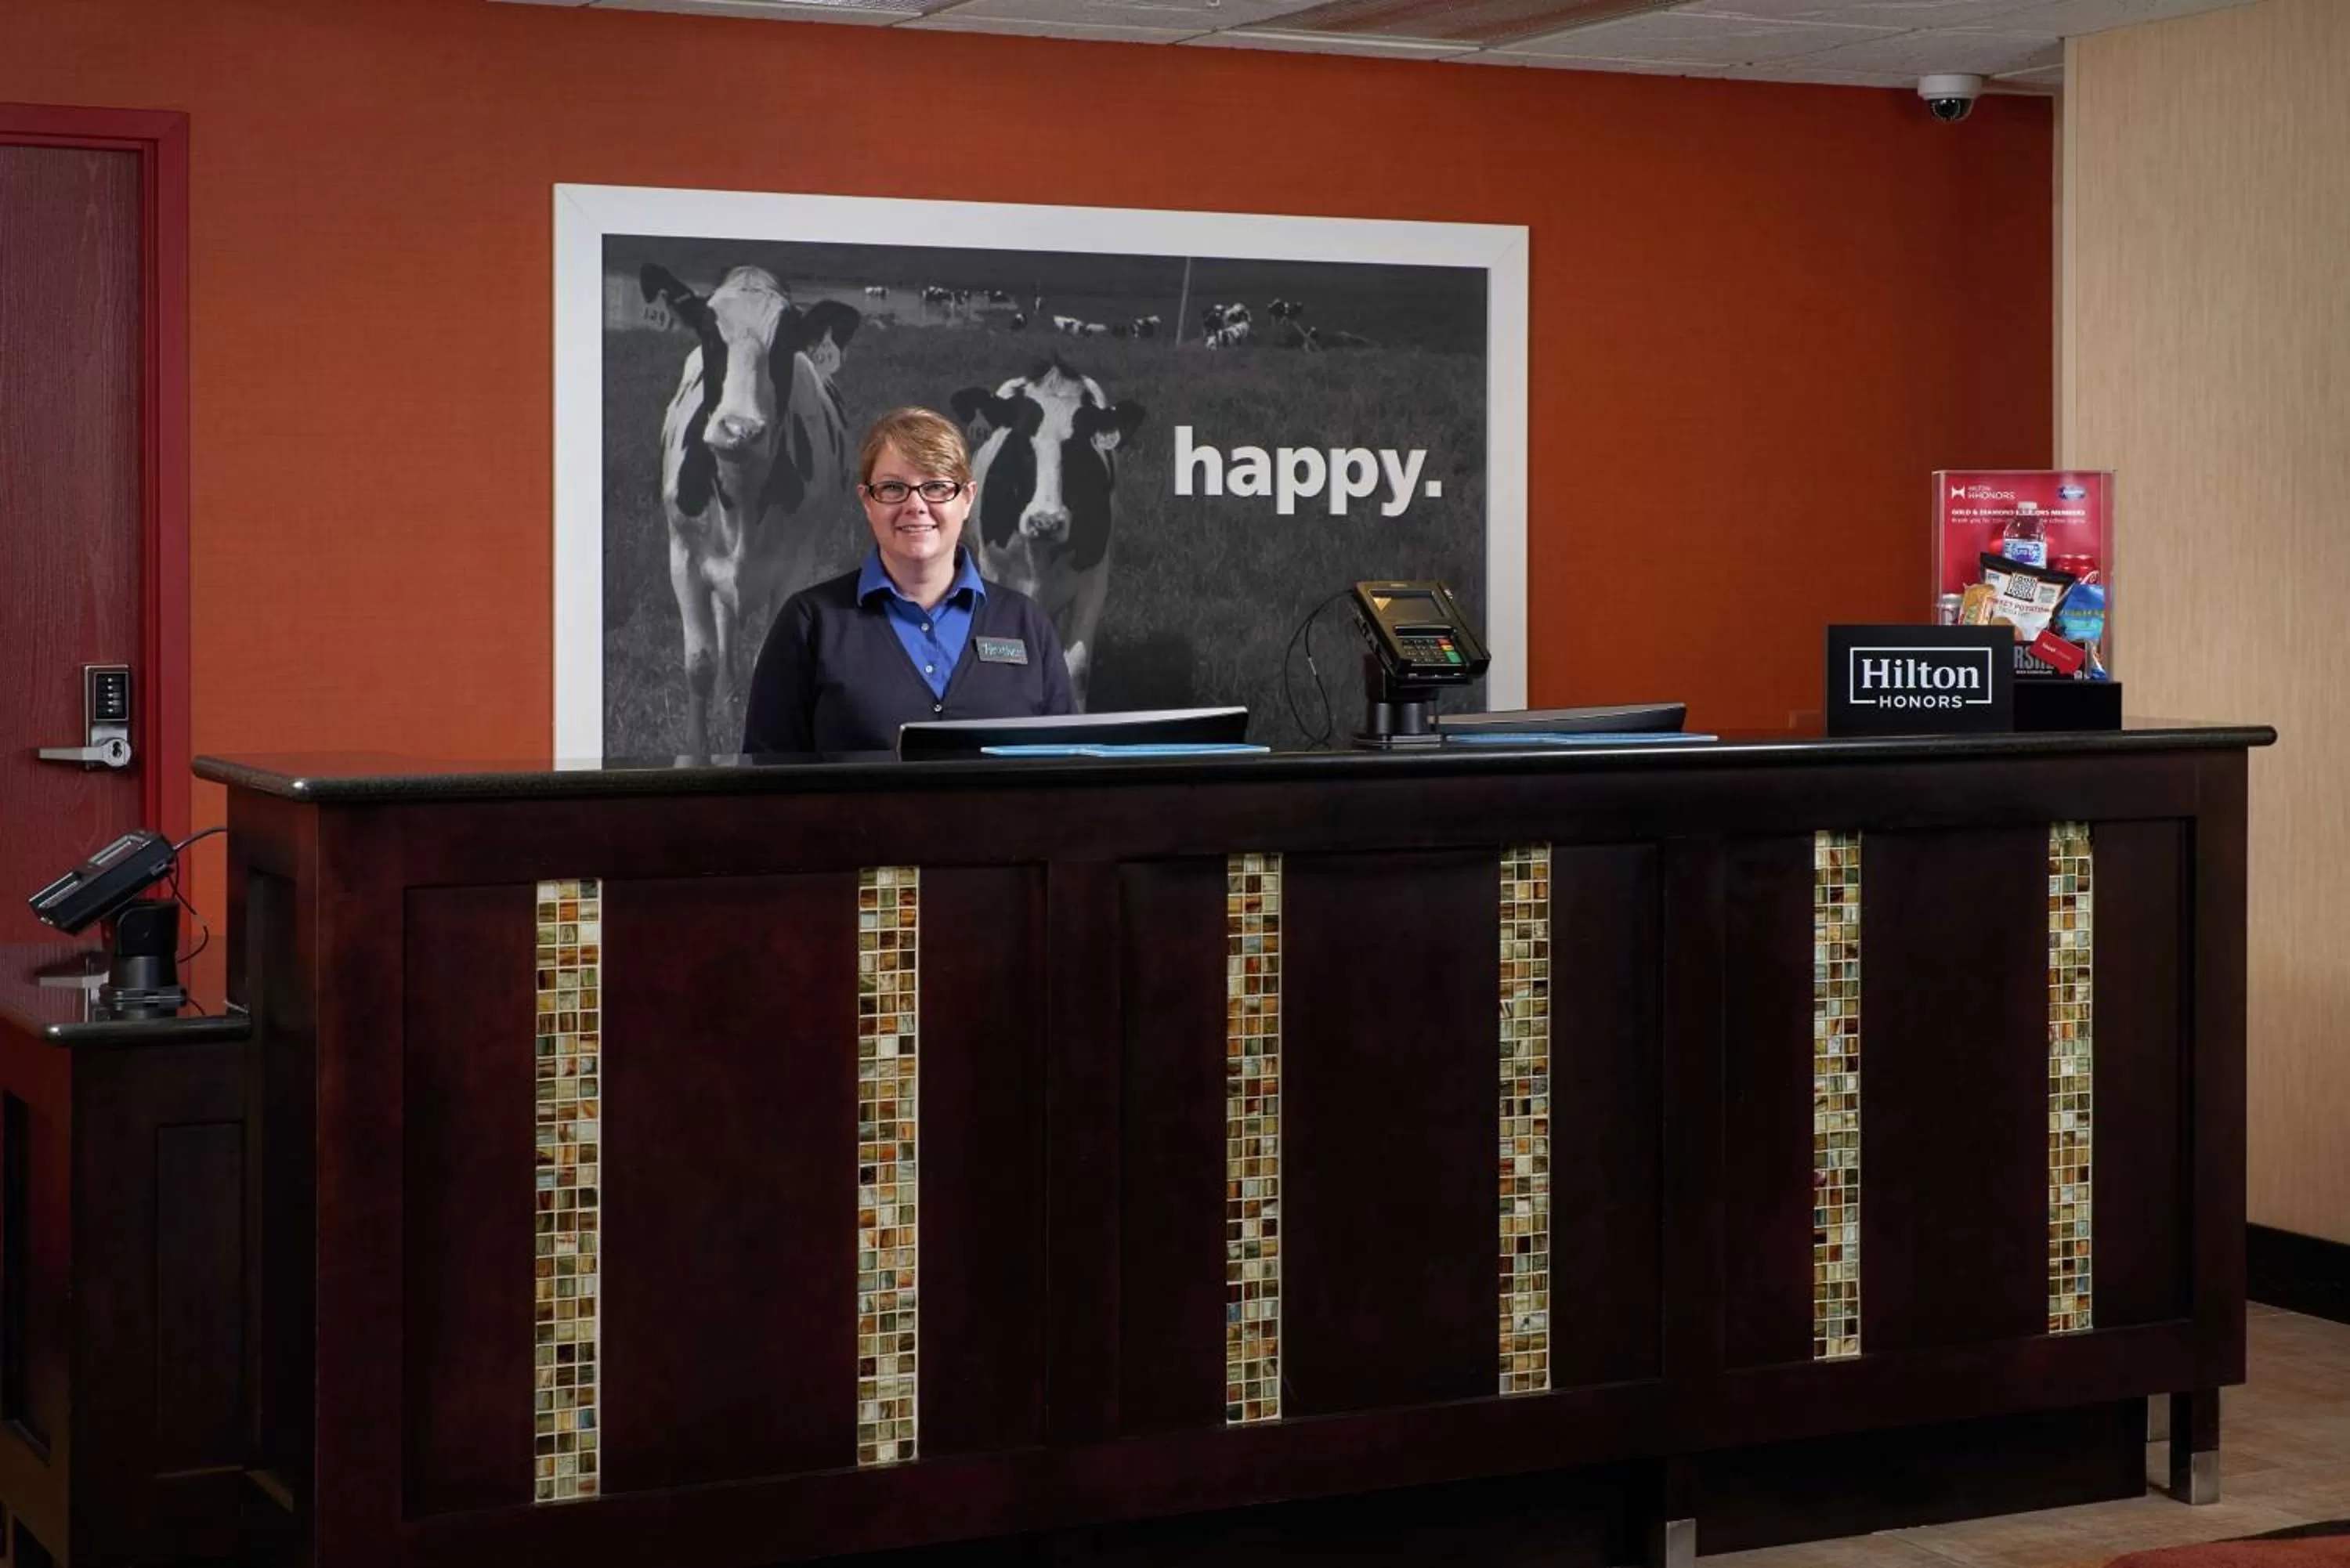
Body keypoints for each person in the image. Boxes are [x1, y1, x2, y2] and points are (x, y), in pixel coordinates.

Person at [740, 406, 1074, 753]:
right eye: (893, 488)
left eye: (936, 487)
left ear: (967, 499)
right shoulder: (810, 623)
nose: (915, 505)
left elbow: (1067, 778)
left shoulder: (1026, 624)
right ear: (868, 502)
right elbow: (765, 787)